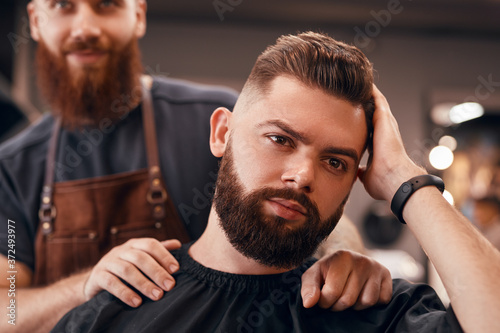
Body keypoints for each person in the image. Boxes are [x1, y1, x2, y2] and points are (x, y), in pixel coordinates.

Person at [52, 32, 500, 333]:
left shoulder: (370, 313)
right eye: (280, 139)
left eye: (335, 163)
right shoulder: (115, 311)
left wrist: (403, 179)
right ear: (221, 133)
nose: (303, 176)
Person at [0, 1, 392, 332]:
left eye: (106, 5)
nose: (85, 27)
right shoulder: (14, 167)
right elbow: (8, 305)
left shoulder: (207, 117)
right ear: (36, 21)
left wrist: (341, 262)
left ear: (137, 14)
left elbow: (309, 206)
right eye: (62, 6)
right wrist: (85, 286)